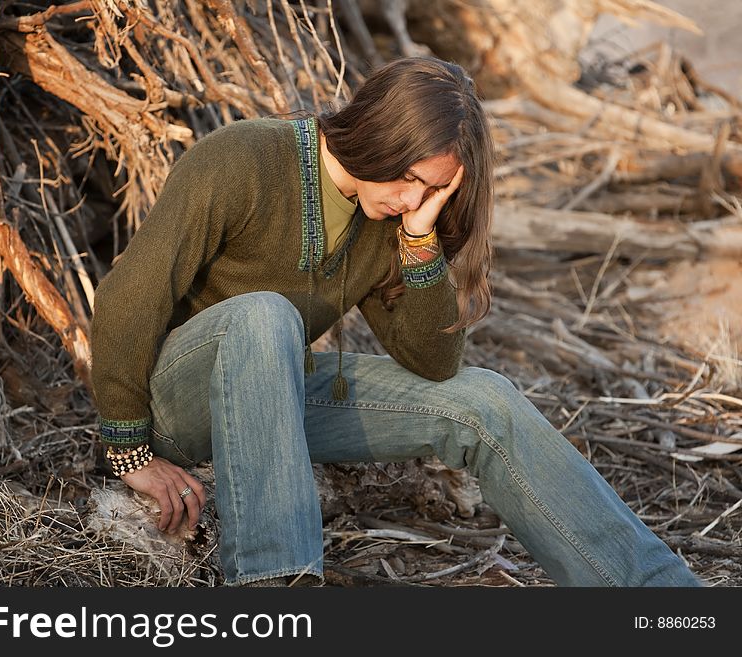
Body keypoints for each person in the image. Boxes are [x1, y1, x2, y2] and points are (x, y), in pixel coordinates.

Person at [90, 57, 702, 587]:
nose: (413, 199)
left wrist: (418, 240)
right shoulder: (242, 157)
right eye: (410, 178)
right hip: (177, 396)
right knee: (265, 317)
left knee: (484, 399)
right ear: (379, 134)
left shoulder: (392, 222)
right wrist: (128, 449)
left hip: (276, 393)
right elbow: (129, 294)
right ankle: (275, 590)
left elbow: (434, 362)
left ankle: (658, 598)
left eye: (432, 190)